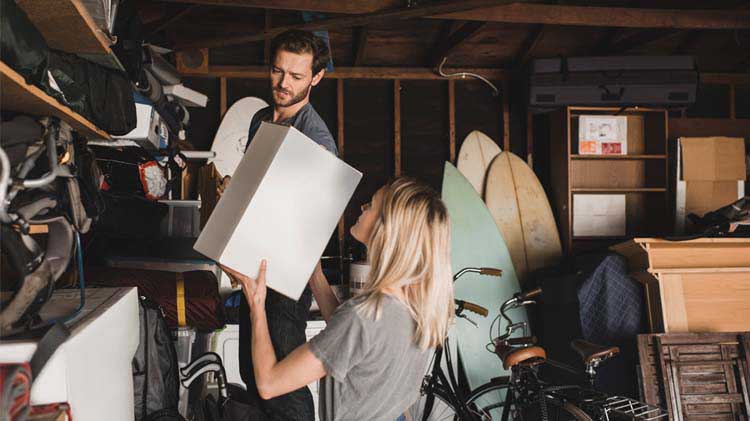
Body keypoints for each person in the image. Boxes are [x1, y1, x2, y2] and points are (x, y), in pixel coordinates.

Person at [222, 178, 455, 421]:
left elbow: (269, 383)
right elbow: (352, 342)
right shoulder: (417, 308)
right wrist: (316, 276)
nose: (363, 207)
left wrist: (256, 303)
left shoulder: (363, 317)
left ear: (387, 230)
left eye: (371, 206)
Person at [235, 29, 337, 420]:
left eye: (296, 77)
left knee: (282, 391)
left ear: (316, 78)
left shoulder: (316, 141)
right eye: (278, 72)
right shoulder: (262, 118)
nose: (283, 83)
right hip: (254, 266)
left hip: (285, 281)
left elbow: (312, 225)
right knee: (251, 371)